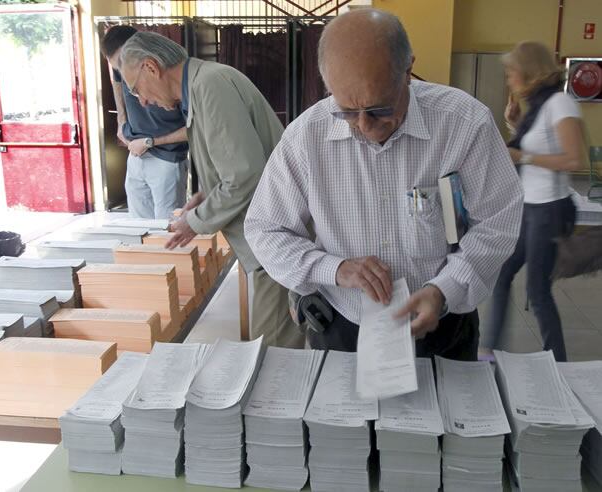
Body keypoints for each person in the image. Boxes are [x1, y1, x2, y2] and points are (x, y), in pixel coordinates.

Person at [244, 8, 524, 360]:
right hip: (344, 326)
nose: (364, 125)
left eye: (379, 109)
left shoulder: (463, 125)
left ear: (408, 72)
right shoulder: (305, 137)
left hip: (442, 324)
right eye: (346, 110)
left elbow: (497, 222)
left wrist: (444, 289)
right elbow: (265, 230)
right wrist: (334, 268)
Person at [119, 31, 304, 349]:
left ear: (151, 67)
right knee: (273, 343)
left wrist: (195, 221)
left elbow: (245, 176)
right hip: (270, 237)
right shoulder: (201, 86)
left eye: (136, 90)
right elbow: (235, 163)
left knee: (274, 351)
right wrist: (204, 197)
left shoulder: (210, 86)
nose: (143, 101)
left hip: (278, 237)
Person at [481, 41, 585, 362]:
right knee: (502, 274)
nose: (509, 78)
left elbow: (573, 160)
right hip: (530, 207)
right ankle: (489, 350)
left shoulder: (559, 103)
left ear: (528, 71)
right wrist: (514, 124)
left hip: (548, 210)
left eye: (512, 72)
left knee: (538, 291)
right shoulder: (539, 107)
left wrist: (522, 154)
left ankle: (557, 360)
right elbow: (538, 148)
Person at [101, 26, 189, 220]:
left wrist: (150, 142)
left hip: (168, 157)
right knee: (138, 226)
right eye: (120, 70)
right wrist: (120, 119)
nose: (142, 99)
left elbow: (195, 129)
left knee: (168, 228)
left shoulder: (176, 77)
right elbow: (115, 79)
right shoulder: (122, 69)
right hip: (135, 153)